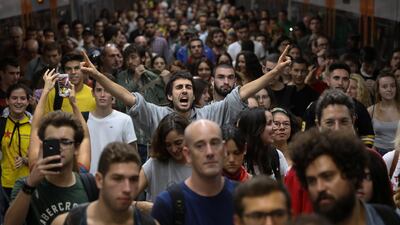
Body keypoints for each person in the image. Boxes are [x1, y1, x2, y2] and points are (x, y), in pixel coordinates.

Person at [80, 45, 292, 146]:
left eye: (188, 88)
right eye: (179, 87)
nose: (184, 91)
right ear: (170, 96)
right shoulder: (157, 114)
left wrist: (273, 73)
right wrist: (98, 76)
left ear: (193, 94)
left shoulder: (210, 114)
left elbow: (242, 92)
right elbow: (127, 96)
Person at [290, 128, 400, 225]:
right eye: (312, 181)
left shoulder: (387, 218)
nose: (320, 188)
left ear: (352, 175)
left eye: (328, 177)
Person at [4, 109, 91, 225]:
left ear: (76, 148)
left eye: (65, 142)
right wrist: (30, 185)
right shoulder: (25, 185)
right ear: (42, 146)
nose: (59, 147)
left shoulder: (90, 185)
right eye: (52, 143)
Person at [151, 119, 236, 225]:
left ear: (224, 150)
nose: (209, 152)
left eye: (214, 143)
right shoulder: (168, 204)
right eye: (200, 146)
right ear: (188, 155)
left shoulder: (243, 197)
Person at [51, 142, 158, 225]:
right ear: (99, 180)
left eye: (133, 179)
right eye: (117, 179)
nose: (127, 188)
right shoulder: (68, 222)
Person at [303, 63, 374, 147]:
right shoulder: (313, 107)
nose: (340, 83)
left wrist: (358, 152)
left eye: (345, 79)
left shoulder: (359, 107)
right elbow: (305, 136)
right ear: (328, 80)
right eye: (336, 78)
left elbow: (368, 137)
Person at [87, 76, 137, 174]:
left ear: (113, 93)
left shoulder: (125, 120)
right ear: (92, 93)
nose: (102, 95)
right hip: (89, 180)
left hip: (117, 178)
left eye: (107, 90)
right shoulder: (84, 120)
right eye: (98, 90)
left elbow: (133, 154)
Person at [139, 113, 191, 202]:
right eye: (168, 145)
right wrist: (140, 206)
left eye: (178, 143)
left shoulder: (199, 166)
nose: (174, 149)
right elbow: (129, 194)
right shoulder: (154, 164)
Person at [238, 108, 288, 180]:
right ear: (255, 128)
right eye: (269, 123)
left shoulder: (276, 155)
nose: (275, 128)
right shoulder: (238, 158)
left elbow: (285, 186)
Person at [0, 84, 32, 198]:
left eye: (23, 98)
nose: (18, 102)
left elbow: (41, 157)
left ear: (28, 101)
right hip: (4, 185)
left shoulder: (34, 125)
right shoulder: (1, 123)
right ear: (7, 101)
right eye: (14, 98)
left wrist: (26, 160)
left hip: (29, 183)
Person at [368, 72, 400, 155]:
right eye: (384, 86)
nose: (389, 89)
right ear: (378, 89)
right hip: (377, 153)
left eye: (392, 86)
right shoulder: (371, 110)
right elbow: (367, 136)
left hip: (398, 153)